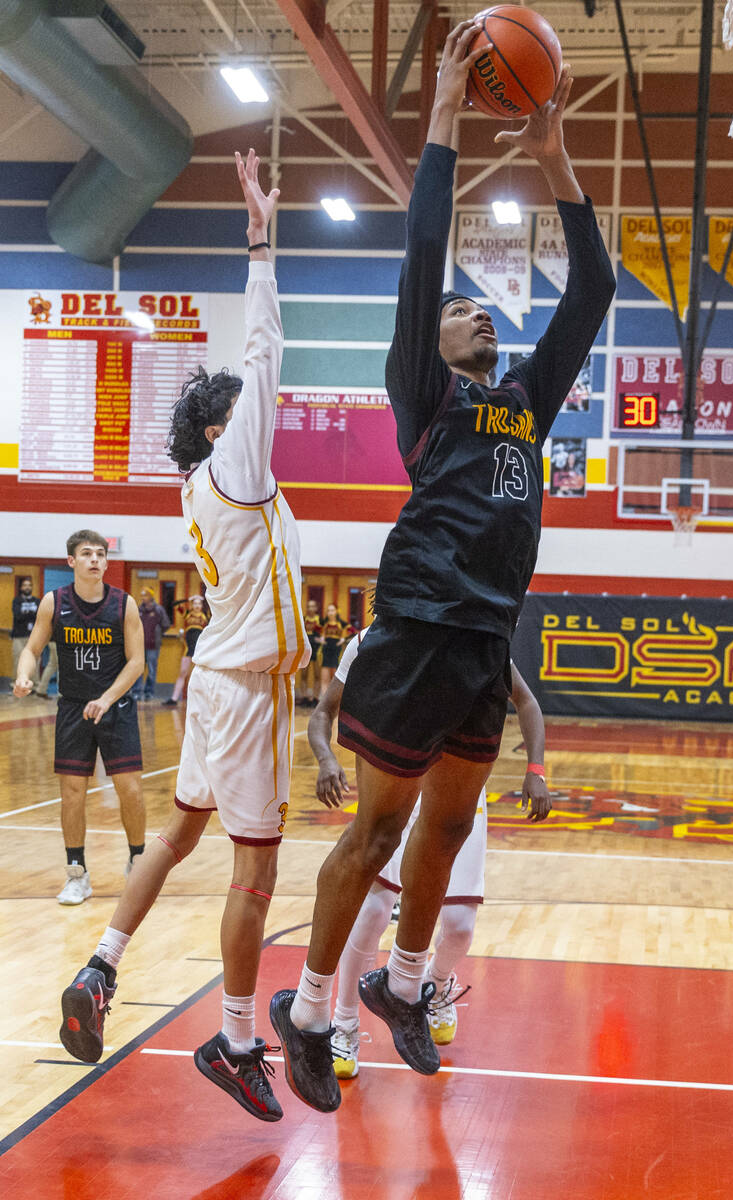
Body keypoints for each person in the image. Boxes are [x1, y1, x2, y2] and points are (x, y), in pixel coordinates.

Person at [269, 19, 615, 1114]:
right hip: (416, 618)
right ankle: (313, 1010)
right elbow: (425, 252)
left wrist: (554, 151)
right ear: (435, 338)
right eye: (463, 309)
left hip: (481, 633)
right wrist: (444, 118)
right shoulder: (421, 387)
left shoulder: (521, 403)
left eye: (480, 306)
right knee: (375, 828)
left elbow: (593, 291)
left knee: (454, 825)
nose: (476, 309)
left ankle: (403, 982)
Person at [57, 149, 310, 1125]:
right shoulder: (236, 466)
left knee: (179, 832)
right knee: (256, 870)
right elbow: (265, 350)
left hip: (216, 679)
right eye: (239, 412)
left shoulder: (202, 487)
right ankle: (238, 1039)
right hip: (244, 687)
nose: (258, 413)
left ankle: (100, 967)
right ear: (218, 431)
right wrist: (258, 237)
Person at [307, 627, 550, 1078]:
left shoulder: (474, 640)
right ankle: (343, 1022)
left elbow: (528, 703)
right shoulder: (365, 644)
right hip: (397, 786)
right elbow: (323, 713)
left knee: (459, 926)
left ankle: (434, 985)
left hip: (457, 795)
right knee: (373, 912)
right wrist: (326, 760)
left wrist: (535, 768)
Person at [13, 532, 146, 903]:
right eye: (86, 554)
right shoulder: (54, 603)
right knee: (72, 794)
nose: (94, 559)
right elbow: (33, 648)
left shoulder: (124, 605)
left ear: (106, 561)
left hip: (115, 707)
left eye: (100, 554)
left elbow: (136, 662)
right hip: (73, 708)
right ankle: (77, 873)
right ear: (71, 561)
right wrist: (25, 675)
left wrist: (106, 698)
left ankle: (138, 861)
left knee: (131, 790)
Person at [162, 594, 208, 707]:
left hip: (201, 649)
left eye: (199, 603)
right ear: (192, 605)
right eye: (195, 603)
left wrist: (205, 598)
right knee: (183, 672)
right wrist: (188, 599)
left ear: (202, 605)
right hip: (188, 648)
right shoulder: (187, 614)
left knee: (202, 674)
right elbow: (174, 604)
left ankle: (204, 700)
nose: (197, 605)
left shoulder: (206, 614)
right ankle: (174, 698)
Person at [134, 587, 171, 700]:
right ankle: (136, 692)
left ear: (150, 596)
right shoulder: (139, 609)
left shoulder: (158, 610)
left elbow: (166, 624)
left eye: (145, 595)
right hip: (139, 645)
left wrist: (158, 633)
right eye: (142, 595)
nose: (143, 598)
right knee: (138, 670)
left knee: (151, 670)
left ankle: (148, 693)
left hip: (153, 646)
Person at [11, 576, 40, 691]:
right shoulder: (16, 600)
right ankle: (16, 684)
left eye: (29, 585)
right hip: (18, 635)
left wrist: (26, 613)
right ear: (21, 587)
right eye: (25, 585)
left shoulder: (37, 601)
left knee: (35, 660)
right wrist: (31, 613)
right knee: (18, 659)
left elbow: (39, 616)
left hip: (33, 636)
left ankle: (35, 685)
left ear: (32, 587)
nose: (27, 587)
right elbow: (17, 616)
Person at [317, 601, 347, 691]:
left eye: (332, 610)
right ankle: (323, 699)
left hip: (336, 650)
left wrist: (342, 641)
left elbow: (347, 634)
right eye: (329, 610)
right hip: (326, 649)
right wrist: (321, 640)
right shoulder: (324, 623)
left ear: (336, 611)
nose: (330, 612)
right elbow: (321, 635)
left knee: (335, 676)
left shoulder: (341, 623)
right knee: (324, 676)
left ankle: (334, 701)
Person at [298, 596, 322, 707]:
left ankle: (316, 698)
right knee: (304, 675)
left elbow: (322, 635)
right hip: (306, 649)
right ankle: (304, 698)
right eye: (309, 606)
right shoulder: (304, 619)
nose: (310, 608)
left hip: (317, 650)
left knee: (317, 675)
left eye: (313, 606)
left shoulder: (320, 620)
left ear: (316, 608)